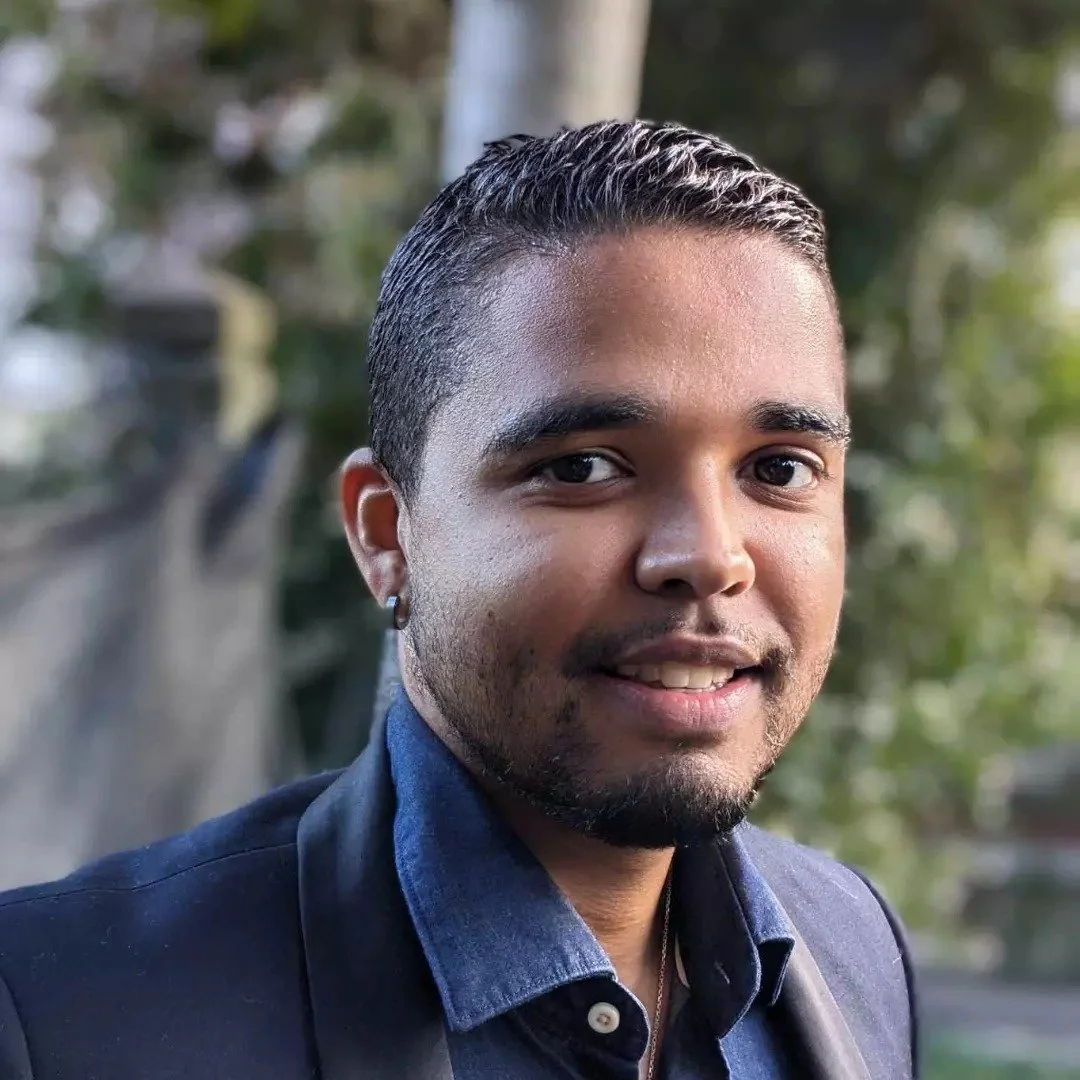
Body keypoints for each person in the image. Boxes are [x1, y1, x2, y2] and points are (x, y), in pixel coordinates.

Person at [0, 120, 917, 1080]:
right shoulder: (64, 1018)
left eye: (779, 468)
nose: (708, 556)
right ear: (386, 535)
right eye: (583, 466)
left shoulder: (856, 948)